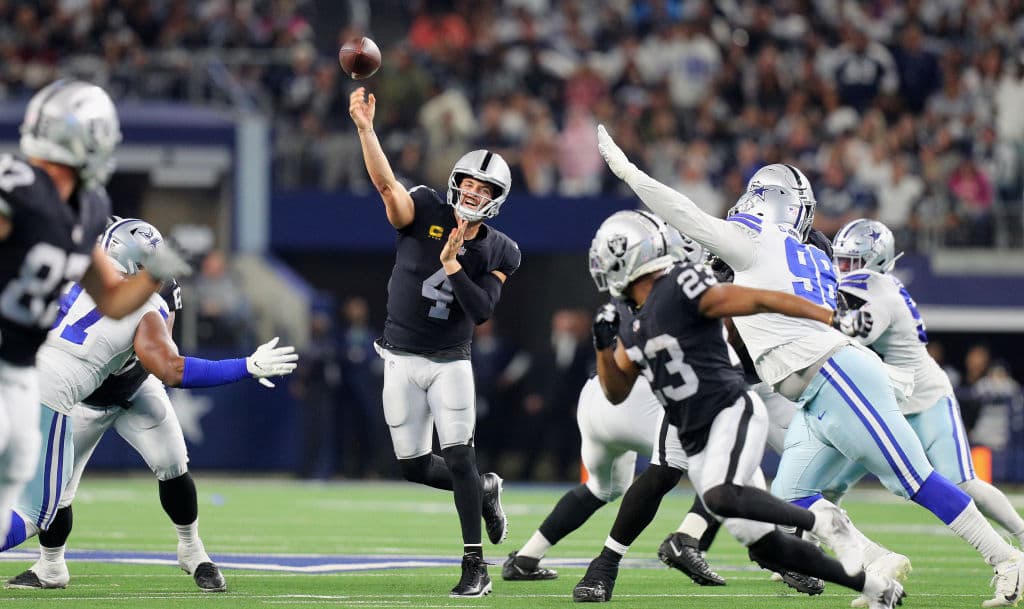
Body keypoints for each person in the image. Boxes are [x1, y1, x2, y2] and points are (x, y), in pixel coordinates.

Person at [597, 124, 1024, 608]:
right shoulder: (806, 249)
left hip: (832, 374)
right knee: (792, 498)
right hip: (812, 387)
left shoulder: (754, 239)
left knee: (914, 479)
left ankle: (1006, 559)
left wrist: (628, 170)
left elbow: (686, 213)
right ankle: (873, 565)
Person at [572, 209, 902, 608]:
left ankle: (822, 521)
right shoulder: (629, 317)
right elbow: (615, 390)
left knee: (720, 495)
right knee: (768, 549)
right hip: (694, 431)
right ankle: (874, 588)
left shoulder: (680, 285)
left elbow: (757, 298)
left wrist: (829, 315)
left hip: (731, 408)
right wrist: (602, 346)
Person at [1, 219, 298, 593]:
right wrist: (245, 366)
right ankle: (50, 566)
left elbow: (162, 347)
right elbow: (169, 362)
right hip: (77, 394)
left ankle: (191, 550)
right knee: (56, 492)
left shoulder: (95, 271)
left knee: (173, 463)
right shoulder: (111, 284)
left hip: (132, 384)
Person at [0, 80, 189, 548]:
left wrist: (152, 276)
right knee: (30, 510)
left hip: (24, 373)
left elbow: (110, 298)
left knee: (27, 505)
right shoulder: (16, 188)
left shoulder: (90, 208)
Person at [349, 87, 520, 598]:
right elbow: (385, 187)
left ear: (496, 199)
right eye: (467, 181)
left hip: (450, 361)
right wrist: (365, 128)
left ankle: (475, 566)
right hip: (399, 355)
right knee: (413, 466)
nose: (471, 191)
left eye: (483, 187)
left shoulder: (502, 250)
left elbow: (482, 311)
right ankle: (487, 488)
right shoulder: (423, 207)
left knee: (461, 455)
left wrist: (452, 263)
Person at [823, 219, 1024, 604]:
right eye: (840, 261)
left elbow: (852, 332)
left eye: (852, 262)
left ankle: (1018, 545)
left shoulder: (880, 293)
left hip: (924, 398)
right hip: (885, 405)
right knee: (828, 487)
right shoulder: (862, 286)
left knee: (960, 482)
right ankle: (860, 571)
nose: (842, 270)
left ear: (876, 262)